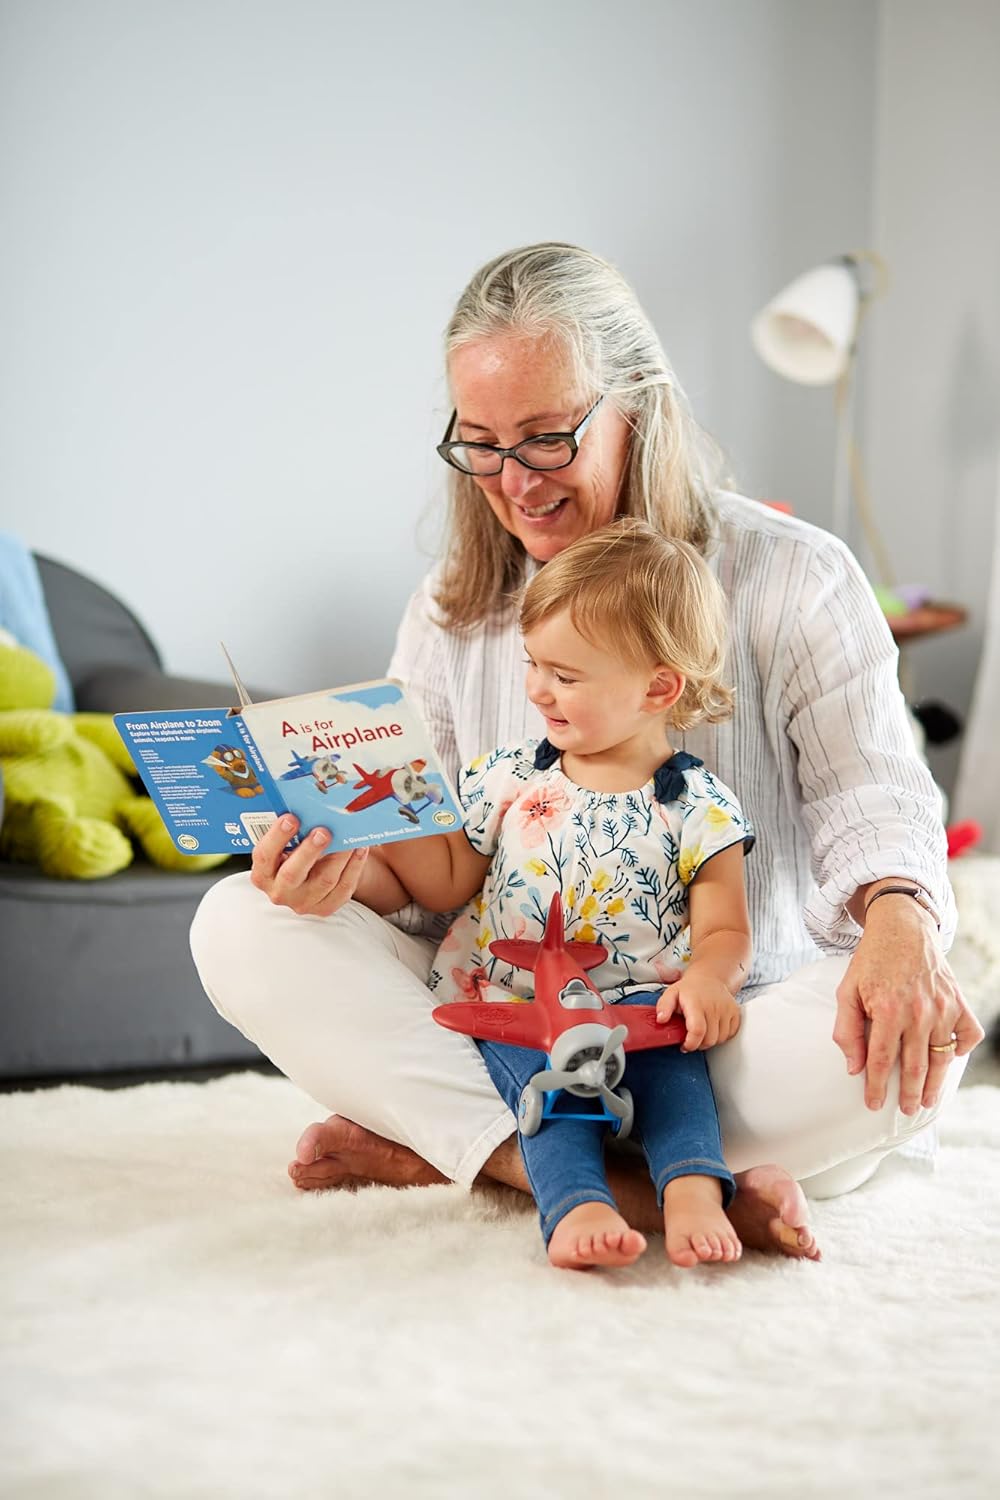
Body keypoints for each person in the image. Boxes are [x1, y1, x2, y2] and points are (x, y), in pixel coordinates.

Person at [190, 242, 982, 1257]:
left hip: (713, 1026)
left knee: (923, 1045)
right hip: (512, 1020)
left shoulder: (795, 578)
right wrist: (341, 873)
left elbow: (872, 796)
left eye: (545, 438)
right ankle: (629, 1181)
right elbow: (427, 863)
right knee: (236, 923)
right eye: (479, 444)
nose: (511, 480)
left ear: (636, 412)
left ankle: (457, 1146)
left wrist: (899, 924)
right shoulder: (449, 610)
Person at [351, 518, 760, 1270]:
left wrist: (708, 979)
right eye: (534, 663)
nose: (538, 688)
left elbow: (726, 926)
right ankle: (578, 1207)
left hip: (644, 1003)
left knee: (679, 1088)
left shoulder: (697, 805)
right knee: (552, 1100)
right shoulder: (510, 775)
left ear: (658, 686)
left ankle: (694, 1190)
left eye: (565, 676)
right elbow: (443, 880)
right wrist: (382, 812)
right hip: (517, 1004)